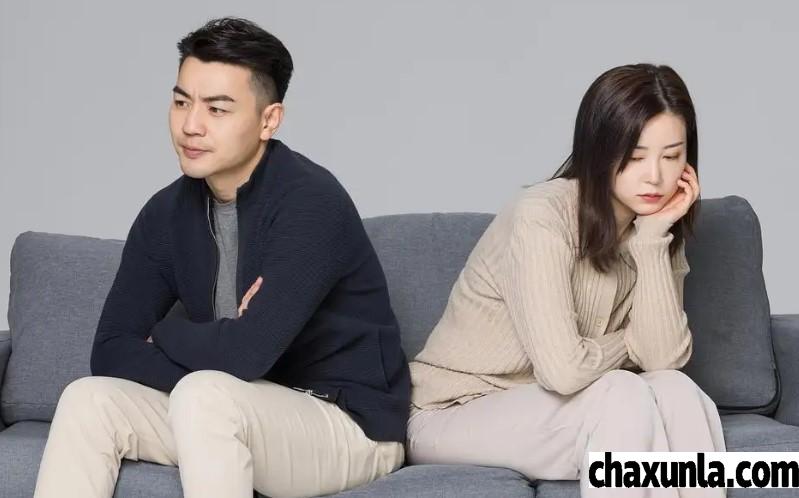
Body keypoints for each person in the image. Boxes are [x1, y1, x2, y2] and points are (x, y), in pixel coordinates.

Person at [33, 17, 409, 498]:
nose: (191, 125)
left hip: (346, 424)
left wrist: (165, 333)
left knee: (205, 393)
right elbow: (109, 350)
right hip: (229, 407)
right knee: (88, 398)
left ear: (269, 120)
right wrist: (226, 350)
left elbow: (245, 354)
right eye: (181, 102)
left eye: (217, 109)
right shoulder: (165, 214)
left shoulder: (311, 202)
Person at [406, 63, 725, 497]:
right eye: (635, 157)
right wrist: (632, 341)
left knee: (677, 390)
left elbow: (663, 360)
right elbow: (564, 371)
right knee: (620, 393)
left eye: (671, 156)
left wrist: (652, 243)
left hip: (556, 409)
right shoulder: (542, 215)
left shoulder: (657, 227)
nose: (655, 176)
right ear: (598, 151)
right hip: (453, 410)